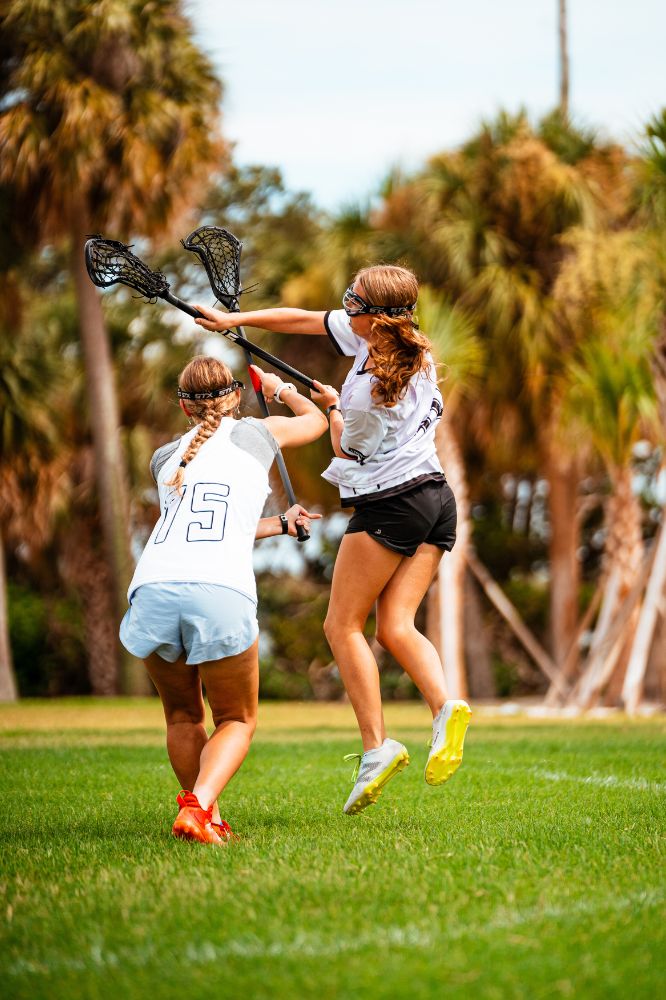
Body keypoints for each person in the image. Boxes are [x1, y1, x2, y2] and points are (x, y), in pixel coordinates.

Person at [194, 265, 471, 816]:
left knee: (340, 625)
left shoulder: (367, 387)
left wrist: (330, 407)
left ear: (373, 314)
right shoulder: (406, 349)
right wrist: (234, 319)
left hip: (392, 504)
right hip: (437, 500)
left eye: (353, 299)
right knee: (394, 626)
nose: (344, 306)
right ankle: (445, 709)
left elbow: (348, 450)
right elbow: (302, 320)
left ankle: (377, 747)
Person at [119, 355, 327, 843]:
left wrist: (279, 524)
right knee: (236, 718)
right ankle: (197, 807)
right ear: (234, 396)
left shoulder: (165, 457)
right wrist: (279, 388)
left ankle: (205, 815)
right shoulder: (255, 434)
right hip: (218, 589)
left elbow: (210, 525)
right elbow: (317, 421)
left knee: (182, 716)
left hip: (152, 586)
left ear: (184, 406)